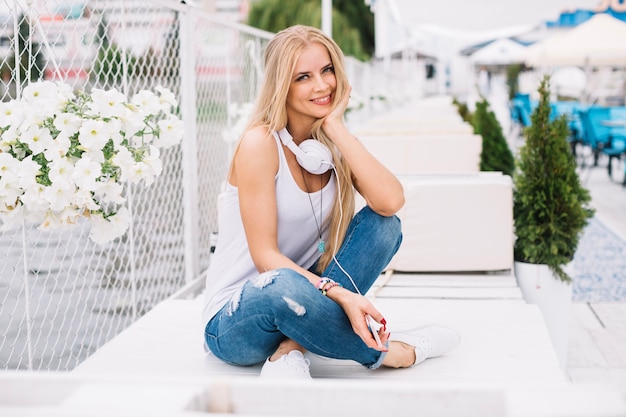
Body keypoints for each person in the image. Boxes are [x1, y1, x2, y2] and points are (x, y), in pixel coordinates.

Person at [202, 25, 460, 378]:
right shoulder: (259, 144)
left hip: (308, 297)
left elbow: (390, 202)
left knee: (384, 227)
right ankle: (395, 352)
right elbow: (266, 259)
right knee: (282, 285)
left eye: (326, 71)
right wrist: (340, 294)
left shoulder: (327, 146)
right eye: (303, 77)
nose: (322, 85)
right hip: (241, 316)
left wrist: (336, 127)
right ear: (282, 85)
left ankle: (292, 346)